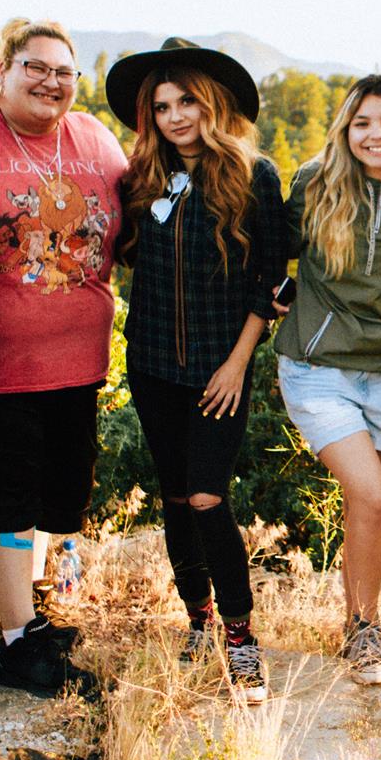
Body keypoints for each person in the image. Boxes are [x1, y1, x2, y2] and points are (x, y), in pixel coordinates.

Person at [0, 18, 128, 695]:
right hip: (0, 363)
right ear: (1, 71)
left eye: (63, 72)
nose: (50, 81)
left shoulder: (96, 141)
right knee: (10, 499)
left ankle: (34, 615)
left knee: (58, 496)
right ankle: (18, 639)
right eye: (34, 66)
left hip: (82, 361)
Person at [106, 38, 287, 704]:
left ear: (211, 104)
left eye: (186, 101)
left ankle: (240, 637)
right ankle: (197, 619)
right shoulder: (139, 178)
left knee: (210, 496)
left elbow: (271, 281)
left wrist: (240, 362)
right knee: (177, 499)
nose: (176, 116)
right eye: (161, 105)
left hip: (221, 370)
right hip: (152, 366)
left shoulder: (252, 174)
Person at [275, 74, 381, 685]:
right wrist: (277, 294)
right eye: (363, 123)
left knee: (367, 507)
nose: (376, 135)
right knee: (374, 495)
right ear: (345, 130)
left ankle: (361, 629)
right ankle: (365, 631)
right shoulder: (316, 184)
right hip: (318, 368)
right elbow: (273, 249)